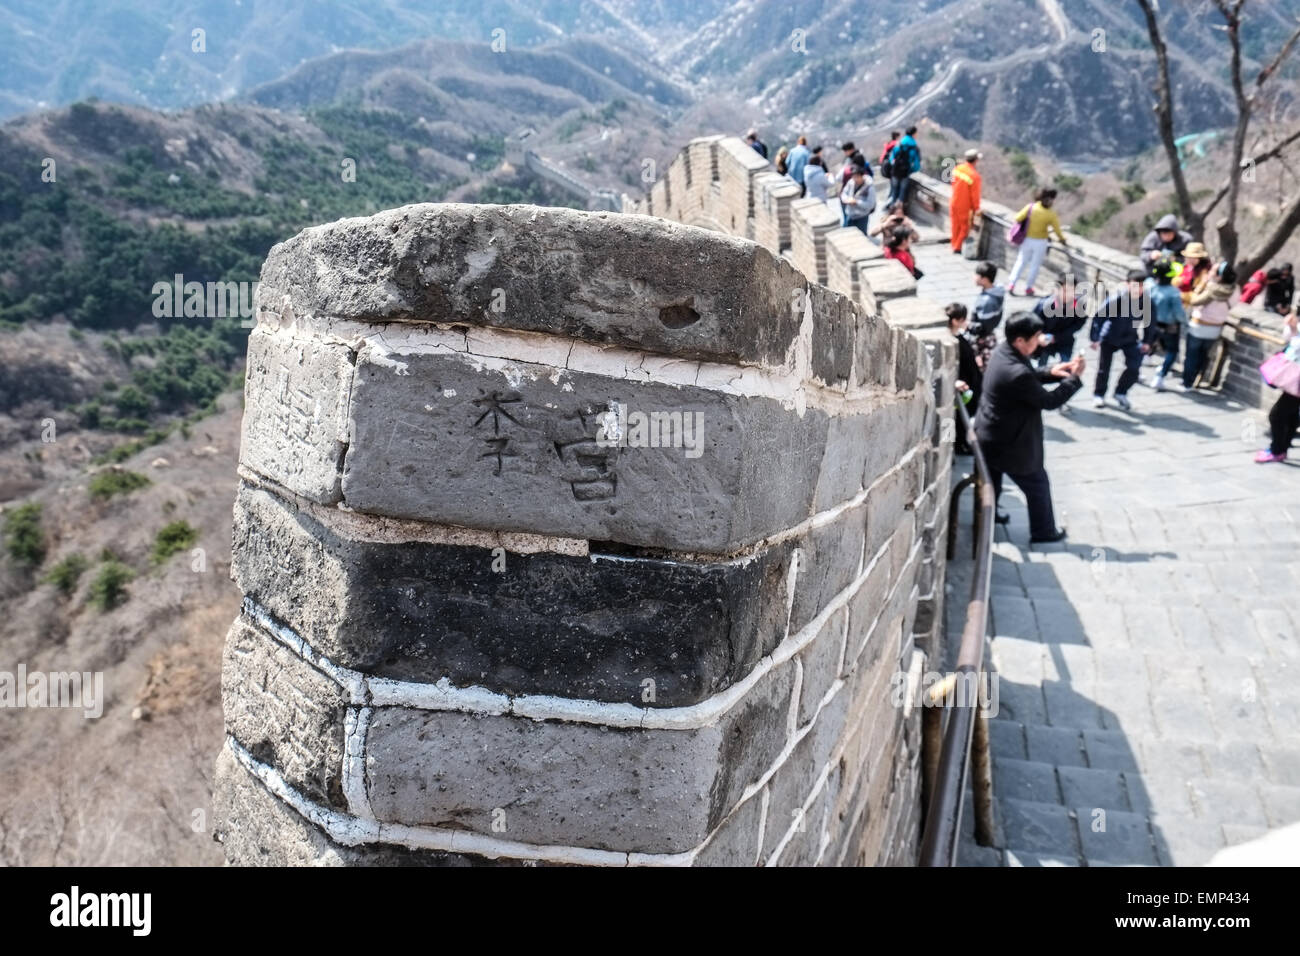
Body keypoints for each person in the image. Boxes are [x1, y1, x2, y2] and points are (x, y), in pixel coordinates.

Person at [973, 312, 1084, 543]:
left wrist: (1052, 372)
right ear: (1020, 340)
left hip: (990, 434)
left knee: (991, 483)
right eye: (1035, 337)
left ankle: (986, 519)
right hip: (1010, 442)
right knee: (1037, 484)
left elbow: (1028, 379)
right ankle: (1043, 532)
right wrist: (1074, 379)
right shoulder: (1016, 371)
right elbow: (1048, 401)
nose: (1039, 341)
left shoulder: (1003, 353)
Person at [1089, 268, 1150, 410]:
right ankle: (1099, 394)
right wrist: (1095, 338)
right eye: (1135, 285)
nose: (1138, 289)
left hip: (1130, 338)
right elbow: (1099, 318)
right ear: (1127, 284)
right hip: (1110, 336)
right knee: (1104, 369)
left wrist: (1147, 341)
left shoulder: (1146, 301)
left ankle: (1121, 392)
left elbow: (1149, 323)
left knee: (1134, 367)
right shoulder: (1116, 299)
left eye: (1141, 286)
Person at [1255, 308, 1300, 463]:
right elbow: (1291, 339)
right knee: (1292, 413)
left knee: (1277, 415)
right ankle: (1282, 448)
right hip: (1295, 375)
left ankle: (1277, 450)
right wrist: (1293, 327)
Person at [1183, 261, 1235, 389]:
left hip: (1199, 327)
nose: (1210, 272)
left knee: (1191, 355)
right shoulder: (1235, 289)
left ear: (1219, 276)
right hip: (1216, 328)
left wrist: (1203, 283)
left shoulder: (1212, 289)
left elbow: (1194, 301)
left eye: (1213, 270)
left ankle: (1187, 383)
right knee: (1203, 355)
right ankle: (1197, 379)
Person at [1007, 187, 1068, 296]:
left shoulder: (1031, 207)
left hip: (1026, 240)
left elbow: (1018, 218)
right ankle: (1028, 287)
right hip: (1040, 242)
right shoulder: (1050, 214)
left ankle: (1012, 284)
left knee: (1021, 261)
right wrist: (1062, 240)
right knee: (1035, 265)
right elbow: (1057, 231)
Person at [1142, 257, 1188, 392]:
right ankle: (1160, 376)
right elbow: (1179, 313)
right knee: (1172, 351)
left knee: (1145, 345)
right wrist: (1185, 322)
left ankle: (1137, 370)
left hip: (1151, 322)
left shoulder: (1149, 286)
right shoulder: (1173, 293)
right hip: (1169, 327)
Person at [947, 303, 982, 455]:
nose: (966, 322)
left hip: (969, 383)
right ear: (956, 321)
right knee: (960, 418)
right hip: (964, 386)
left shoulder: (958, 337)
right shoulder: (953, 341)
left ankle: (959, 444)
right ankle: (958, 445)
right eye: (963, 319)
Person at [1033, 273, 1089, 367]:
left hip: (1065, 339)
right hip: (1047, 339)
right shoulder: (1045, 304)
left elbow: (1079, 323)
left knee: (1065, 365)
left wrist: (1058, 337)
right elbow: (1034, 321)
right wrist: (1041, 335)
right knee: (1042, 365)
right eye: (1065, 290)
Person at [971, 261, 1007, 369]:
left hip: (983, 339)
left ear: (985, 279)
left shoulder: (987, 301)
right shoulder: (996, 291)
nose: (973, 277)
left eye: (976, 275)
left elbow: (983, 326)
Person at [949, 148, 982, 254]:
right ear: (976, 160)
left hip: (954, 201)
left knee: (955, 225)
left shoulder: (957, 168)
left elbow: (952, 182)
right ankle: (957, 247)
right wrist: (976, 209)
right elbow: (975, 196)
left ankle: (953, 243)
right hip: (965, 205)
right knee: (965, 227)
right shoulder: (974, 176)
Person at [888, 125, 922, 205]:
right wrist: (910, 170)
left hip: (895, 171)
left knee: (893, 191)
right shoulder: (914, 147)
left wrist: (894, 165)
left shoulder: (899, 143)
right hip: (905, 172)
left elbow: (892, 156)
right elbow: (917, 165)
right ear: (913, 134)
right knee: (902, 194)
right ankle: (899, 210)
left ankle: (891, 208)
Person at [839, 163, 875, 234]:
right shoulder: (850, 183)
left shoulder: (869, 187)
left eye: (857, 177)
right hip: (850, 214)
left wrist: (857, 202)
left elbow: (870, 205)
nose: (855, 179)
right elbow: (843, 194)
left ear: (862, 176)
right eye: (853, 177)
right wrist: (847, 200)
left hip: (862, 216)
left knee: (862, 237)